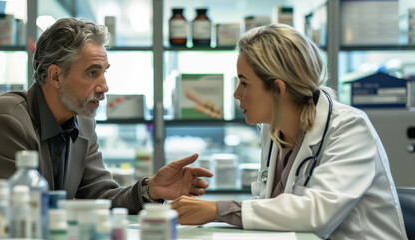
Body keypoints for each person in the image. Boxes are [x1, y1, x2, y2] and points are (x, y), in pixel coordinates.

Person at [0, 17, 213, 215]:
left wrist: (151, 189)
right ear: (56, 75)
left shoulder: (83, 121)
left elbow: (99, 194)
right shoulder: (8, 118)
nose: (105, 86)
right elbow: (33, 210)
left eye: (105, 71)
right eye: (92, 72)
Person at [170, 24, 407, 239]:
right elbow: (275, 212)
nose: (236, 94)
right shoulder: (273, 129)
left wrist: (217, 210)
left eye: (244, 83)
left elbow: (317, 213)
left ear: (278, 88)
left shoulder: (350, 128)